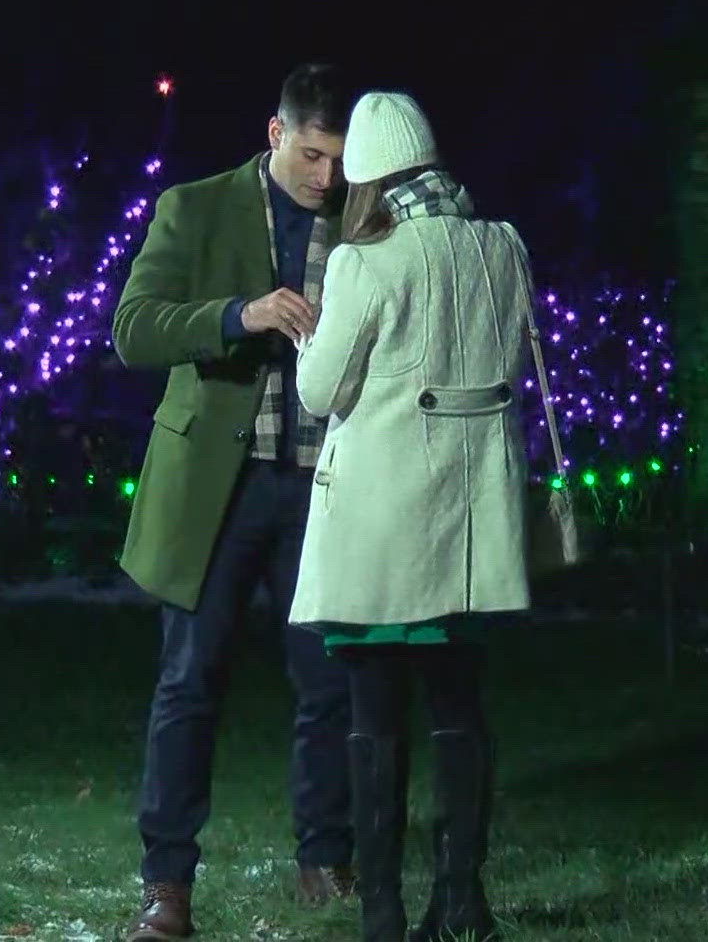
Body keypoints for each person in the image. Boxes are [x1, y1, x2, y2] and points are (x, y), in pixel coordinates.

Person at [111, 63, 361, 941]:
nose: (325, 177)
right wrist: (237, 315)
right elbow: (132, 326)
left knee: (328, 683)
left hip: (323, 485)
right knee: (189, 682)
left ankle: (326, 861)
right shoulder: (196, 205)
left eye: (338, 159)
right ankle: (166, 887)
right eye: (312, 156)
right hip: (219, 487)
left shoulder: (364, 215)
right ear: (275, 134)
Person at [289, 91, 533, 941]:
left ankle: (385, 911)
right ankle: (462, 900)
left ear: (365, 177)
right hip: (470, 522)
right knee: (461, 711)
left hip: (384, 524)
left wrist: (307, 342)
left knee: (373, 719)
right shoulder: (502, 246)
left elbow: (323, 392)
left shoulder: (367, 260)